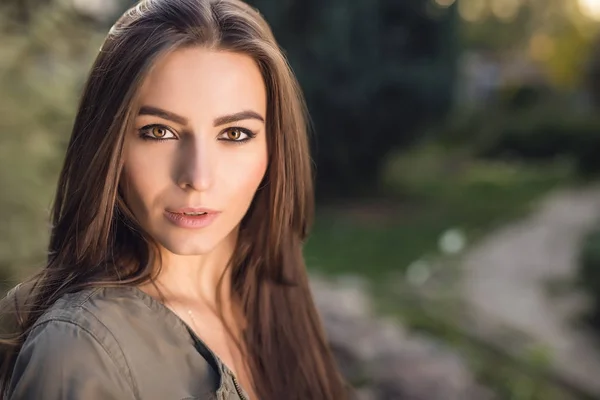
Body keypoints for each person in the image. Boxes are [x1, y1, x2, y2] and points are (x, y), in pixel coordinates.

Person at [0, 0, 349, 399]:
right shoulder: (79, 351)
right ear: (109, 144)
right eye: (159, 132)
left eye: (234, 134)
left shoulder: (270, 297)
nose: (197, 178)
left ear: (274, 148)